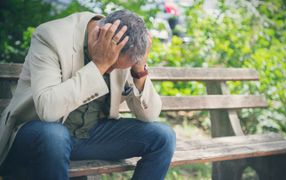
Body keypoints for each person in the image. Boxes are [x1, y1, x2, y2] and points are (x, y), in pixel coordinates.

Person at [0, 9, 176, 180]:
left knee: (163, 136)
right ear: (99, 36)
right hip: (37, 135)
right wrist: (100, 65)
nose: (112, 71)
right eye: (112, 66)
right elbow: (48, 110)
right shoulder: (50, 36)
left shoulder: (123, 46)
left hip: (89, 136)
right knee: (54, 135)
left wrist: (139, 70)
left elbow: (149, 115)